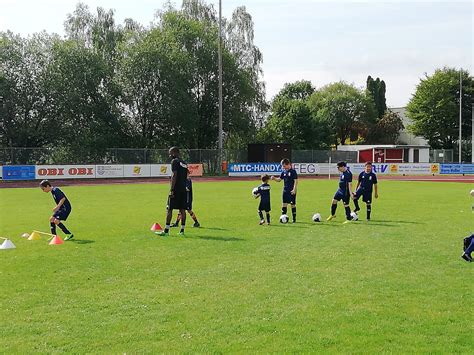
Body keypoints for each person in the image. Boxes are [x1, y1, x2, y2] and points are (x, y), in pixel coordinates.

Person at [156, 147, 188, 237]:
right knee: (182, 210)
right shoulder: (184, 163)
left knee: (169, 209)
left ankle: (166, 231)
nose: (169, 155)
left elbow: (174, 175)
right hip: (183, 189)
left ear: (174, 153)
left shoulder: (175, 161)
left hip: (176, 189)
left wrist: (172, 189)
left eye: (170, 153)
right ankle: (182, 231)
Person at [271, 158, 298, 223]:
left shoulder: (293, 171)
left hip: (291, 191)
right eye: (283, 166)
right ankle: (283, 218)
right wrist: (274, 178)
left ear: (288, 164)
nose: (283, 167)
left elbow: (296, 181)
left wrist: (294, 189)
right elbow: (279, 180)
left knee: (292, 205)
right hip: (285, 191)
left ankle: (294, 219)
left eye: (284, 166)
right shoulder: (283, 172)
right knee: (284, 204)